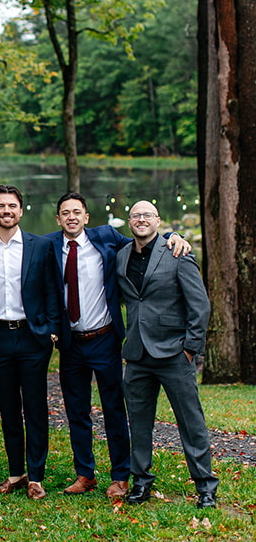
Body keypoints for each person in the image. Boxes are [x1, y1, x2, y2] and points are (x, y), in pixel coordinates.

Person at [47, 192, 191, 498]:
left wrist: (173, 235)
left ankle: (120, 475)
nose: (71, 217)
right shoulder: (48, 245)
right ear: (58, 219)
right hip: (71, 343)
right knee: (77, 411)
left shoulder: (107, 238)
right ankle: (85, 474)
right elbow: (18, 240)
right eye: (65, 213)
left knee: (113, 408)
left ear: (86, 217)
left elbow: (145, 239)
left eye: (77, 212)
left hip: (104, 338)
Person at [117, 201, 218, 509]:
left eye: (147, 214)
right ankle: (141, 482)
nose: (141, 219)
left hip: (175, 353)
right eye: (136, 215)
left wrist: (190, 349)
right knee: (139, 422)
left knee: (191, 421)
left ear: (158, 220)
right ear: (130, 221)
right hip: (137, 355)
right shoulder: (121, 255)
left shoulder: (178, 252)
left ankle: (205, 486)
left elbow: (199, 306)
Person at [0, 184, 62, 501]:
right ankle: (16, 473)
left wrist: (52, 329)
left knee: (35, 406)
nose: (6, 211)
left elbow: (52, 289)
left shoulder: (39, 246)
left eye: (12, 206)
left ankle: (37, 476)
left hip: (32, 336)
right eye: (0, 206)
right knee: (8, 408)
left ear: (21, 210)